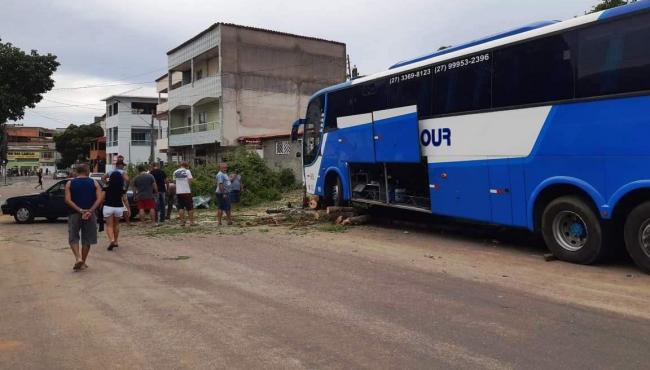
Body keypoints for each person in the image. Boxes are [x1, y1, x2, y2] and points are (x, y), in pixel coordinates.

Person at [64, 163, 103, 271]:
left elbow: (67, 200)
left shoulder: (69, 183)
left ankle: (78, 258)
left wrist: (80, 210)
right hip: (90, 215)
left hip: (74, 214)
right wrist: (90, 211)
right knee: (87, 239)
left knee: (73, 237)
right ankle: (83, 262)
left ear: (76, 171)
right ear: (88, 171)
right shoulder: (94, 182)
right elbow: (99, 199)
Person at [103, 171, 128, 251]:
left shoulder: (106, 186)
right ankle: (116, 241)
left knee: (109, 225)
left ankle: (112, 240)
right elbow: (125, 199)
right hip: (118, 208)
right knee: (116, 224)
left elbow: (102, 197)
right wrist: (128, 208)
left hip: (108, 207)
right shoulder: (122, 188)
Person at [173, 162, 196, 226]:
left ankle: (182, 222)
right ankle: (191, 222)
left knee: (181, 207)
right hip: (186, 191)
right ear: (187, 166)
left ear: (180, 165)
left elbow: (174, 182)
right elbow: (190, 180)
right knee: (190, 207)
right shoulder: (187, 171)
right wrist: (189, 187)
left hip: (179, 192)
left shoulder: (175, 172)